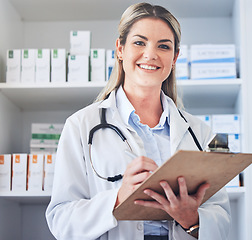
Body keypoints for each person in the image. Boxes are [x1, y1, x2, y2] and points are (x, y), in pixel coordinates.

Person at [46, 2, 231, 240]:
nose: (151, 54)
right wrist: (118, 199)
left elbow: (223, 219)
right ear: (120, 49)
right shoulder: (81, 125)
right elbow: (61, 221)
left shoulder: (201, 133)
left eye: (163, 46)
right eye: (139, 42)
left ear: (174, 58)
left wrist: (191, 220)